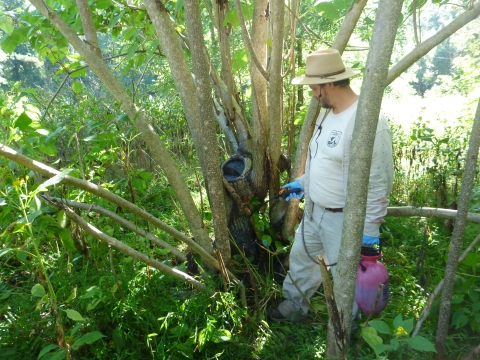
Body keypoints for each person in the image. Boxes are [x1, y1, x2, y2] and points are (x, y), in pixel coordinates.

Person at [267, 48, 394, 324]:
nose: (313, 94)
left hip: (344, 222)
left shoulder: (367, 121)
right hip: (314, 213)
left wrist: (369, 236)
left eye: (315, 87)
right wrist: (303, 184)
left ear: (329, 83)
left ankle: (347, 328)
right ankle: (294, 306)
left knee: (345, 280)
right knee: (301, 260)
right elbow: (322, 159)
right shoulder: (328, 111)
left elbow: (376, 185)